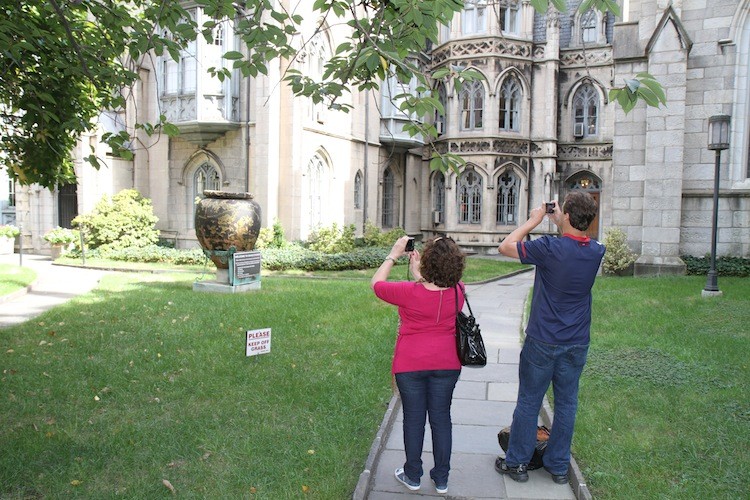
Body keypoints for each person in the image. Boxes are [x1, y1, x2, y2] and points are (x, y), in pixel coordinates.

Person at [495, 191, 606, 485]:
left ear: (567, 216)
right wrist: (561, 221)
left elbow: (505, 247)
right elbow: (576, 239)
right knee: (567, 403)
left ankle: (517, 462)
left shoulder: (549, 248)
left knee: (530, 401)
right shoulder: (596, 250)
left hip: (543, 340)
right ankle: (557, 466)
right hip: (577, 341)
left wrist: (533, 221)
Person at [371, 235, 466, 495]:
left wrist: (393, 254)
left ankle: (413, 475)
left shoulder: (408, 293)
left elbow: (377, 284)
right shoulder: (460, 291)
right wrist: (418, 275)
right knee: (441, 419)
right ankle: (442, 479)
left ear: (427, 262)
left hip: (410, 364)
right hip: (447, 364)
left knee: (413, 420)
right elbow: (435, 292)